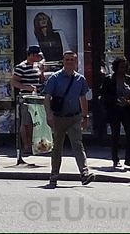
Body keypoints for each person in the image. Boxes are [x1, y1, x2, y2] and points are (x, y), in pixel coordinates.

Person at [43, 51, 94, 187]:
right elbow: (47, 98)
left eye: (72, 60)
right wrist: (48, 115)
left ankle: (84, 173)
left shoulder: (80, 79)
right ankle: (54, 175)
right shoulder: (54, 78)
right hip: (59, 117)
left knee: (78, 145)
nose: (69, 62)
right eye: (67, 59)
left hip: (74, 117)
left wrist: (85, 116)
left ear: (76, 62)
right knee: (57, 147)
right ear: (63, 61)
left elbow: (83, 98)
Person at [98, 56, 130, 168]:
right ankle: (115, 159)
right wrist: (115, 100)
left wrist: (129, 101)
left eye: (124, 67)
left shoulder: (129, 79)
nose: (122, 69)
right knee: (115, 134)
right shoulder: (109, 79)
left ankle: (128, 159)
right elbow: (103, 95)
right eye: (120, 67)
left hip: (127, 110)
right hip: (114, 110)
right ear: (116, 67)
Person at [11, 45, 44, 154]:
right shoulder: (21, 67)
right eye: (38, 55)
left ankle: (34, 144)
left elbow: (40, 80)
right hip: (25, 98)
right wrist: (27, 87)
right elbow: (14, 82)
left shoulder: (37, 66)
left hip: (35, 97)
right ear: (32, 55)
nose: (39, 57)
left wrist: (42, 73)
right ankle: (26, 145)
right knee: (26, 122)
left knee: (35, 122)